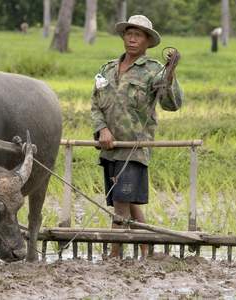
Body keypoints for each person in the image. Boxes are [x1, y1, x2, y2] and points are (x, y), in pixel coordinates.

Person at [90, 15, 183, 258]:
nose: (132, 39)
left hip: (134, 146)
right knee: (127, 200)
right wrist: (102, 129)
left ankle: (114, 253)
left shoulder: (154, 71)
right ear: (123, 37)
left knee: (122, 200)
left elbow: (171, 104)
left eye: (138, 35)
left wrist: (170, 76)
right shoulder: (106, 69)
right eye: (129, 33)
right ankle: (147, 249)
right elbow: (95, 104)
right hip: (109, 146)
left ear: (147, 41)